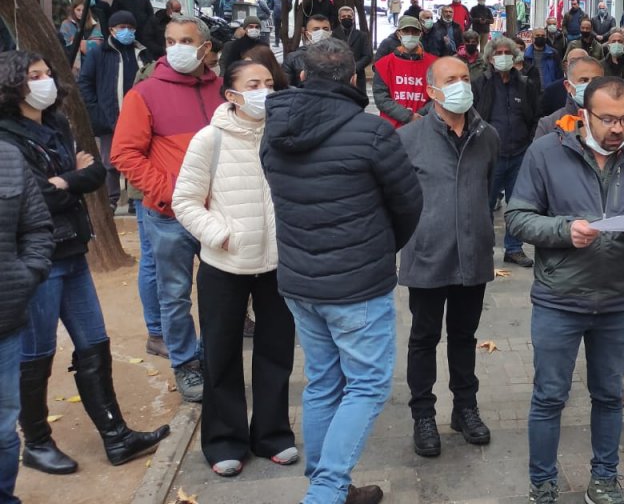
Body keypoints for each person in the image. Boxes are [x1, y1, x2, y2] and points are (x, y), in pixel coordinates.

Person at [260, 38, 422, 504]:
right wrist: (377, 249)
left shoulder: (275, 128)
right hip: (355, 287)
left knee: (325, 381)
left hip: (300, 280)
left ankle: (326, 483)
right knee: (367, 385)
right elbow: (409, 205)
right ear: (355, 79)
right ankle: (326, 492)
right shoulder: (371, 132)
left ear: (303, 76)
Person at [0, 51, 169, 475]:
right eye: (33, 76)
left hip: (74, 249)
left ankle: (117, 436)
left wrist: (66, 181)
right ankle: (36, 442)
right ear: (12, 85)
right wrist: (67, 180)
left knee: (94, 343)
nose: (45, 81)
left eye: (46, 73)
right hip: (36, 260)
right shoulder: (7, 137)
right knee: (36, 353)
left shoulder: (55, 124)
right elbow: (34, 195)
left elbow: (95, 174)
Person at [506, 76, 624, 504]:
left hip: (616, 298)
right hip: (560, 298)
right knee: (549, 396)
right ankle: (542, 482)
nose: (618, 128)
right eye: (609, 119)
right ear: (585, 114)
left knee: (609, 395)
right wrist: (563, 230)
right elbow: (517, 217)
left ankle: (605, 478)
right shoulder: (546, 152)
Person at [171, 60, 295, 477]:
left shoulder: (284, 134)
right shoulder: (210, 139)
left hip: (278, 263)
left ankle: (273, 434)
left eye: (268, 83)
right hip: (225, 263)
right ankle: (224, 440)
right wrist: (221, 234)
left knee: (276, 352)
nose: (264, 90)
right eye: (253, 84)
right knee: (222, 355)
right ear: (231, 95)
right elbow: (184, 200)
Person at [111, 15, 223, 402]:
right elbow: (124, 154)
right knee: (174, 293)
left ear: (205, 48)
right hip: (169, 215)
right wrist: (172, 194)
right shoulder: (144, 94)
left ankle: (212, 357)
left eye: (186, 40)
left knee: (218, 291)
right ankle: (185, 364)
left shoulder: (224, 91)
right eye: (171, 40)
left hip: (216, 214)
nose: (177, 48)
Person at [398, 57, 500, 459]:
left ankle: (465, 407)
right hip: (427, 255)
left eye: (463, 77)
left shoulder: (486, 135)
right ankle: (423, 414)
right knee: (423, 337)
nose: (460, 85)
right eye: (450, 80)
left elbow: (487, 189)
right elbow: (398, 198)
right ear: (431, 91)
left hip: (472, 255)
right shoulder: (409, 138)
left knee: (464, 336)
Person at [0, 140, 53, 504]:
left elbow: (36, 226)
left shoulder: (7, 156)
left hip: (5, 318)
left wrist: (25, 275)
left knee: (4, 428)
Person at [473, 37, 539, 268]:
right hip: (491, 155)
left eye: (507, 52)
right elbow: (473, 116)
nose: (503, 56)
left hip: (520, 153)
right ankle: (484, 250)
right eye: (498, 52)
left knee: (518, 204)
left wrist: (530, 142)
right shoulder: (480, 84)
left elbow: (534, 116)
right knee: (485, 204)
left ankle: (514, 248)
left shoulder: (525, 84)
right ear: (490, 58)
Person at [77, 11, 152, 210]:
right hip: (110, 116)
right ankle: (113, 199)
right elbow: (85, 83)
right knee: (110, 161)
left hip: (139, 117)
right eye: (122, 28)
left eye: (130, 28)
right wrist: (96, 109)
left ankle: (135, 200)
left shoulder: (142, 53)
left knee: (138, 158)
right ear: (111, 30)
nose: (126, 31)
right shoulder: (99, 53)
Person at [372, 17, 437, 129]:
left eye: (414, 32)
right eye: (406, 31)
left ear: (420, 34)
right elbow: (381, 98)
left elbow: (439, 96)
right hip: (392, 128)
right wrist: (409, 116)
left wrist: (420, 115)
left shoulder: (435, 64)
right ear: (398, 34)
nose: (410, 35)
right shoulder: (384, 64)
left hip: (425, 125)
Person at [536, 52, 602, 139]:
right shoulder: (548, 124)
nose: (590, 85)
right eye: (584, 80)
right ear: (568, 86)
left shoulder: (616, 119)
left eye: (596, 80)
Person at [283, 15, 334, 87]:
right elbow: (285, 87)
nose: (321, 32)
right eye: (316, 29)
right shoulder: (293, 59)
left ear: (330, 33)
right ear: (307, 34)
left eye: (325, 29)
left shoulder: (339, 57)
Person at [335, 6, 373, 92]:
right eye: (343, 16)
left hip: (358, 76)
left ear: (353, 18)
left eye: (349, 16)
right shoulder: (333, 35)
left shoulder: (362, 35)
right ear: (339, 18)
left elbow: (368, 56)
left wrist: (355, 67)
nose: (346, 18)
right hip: (338, 76)